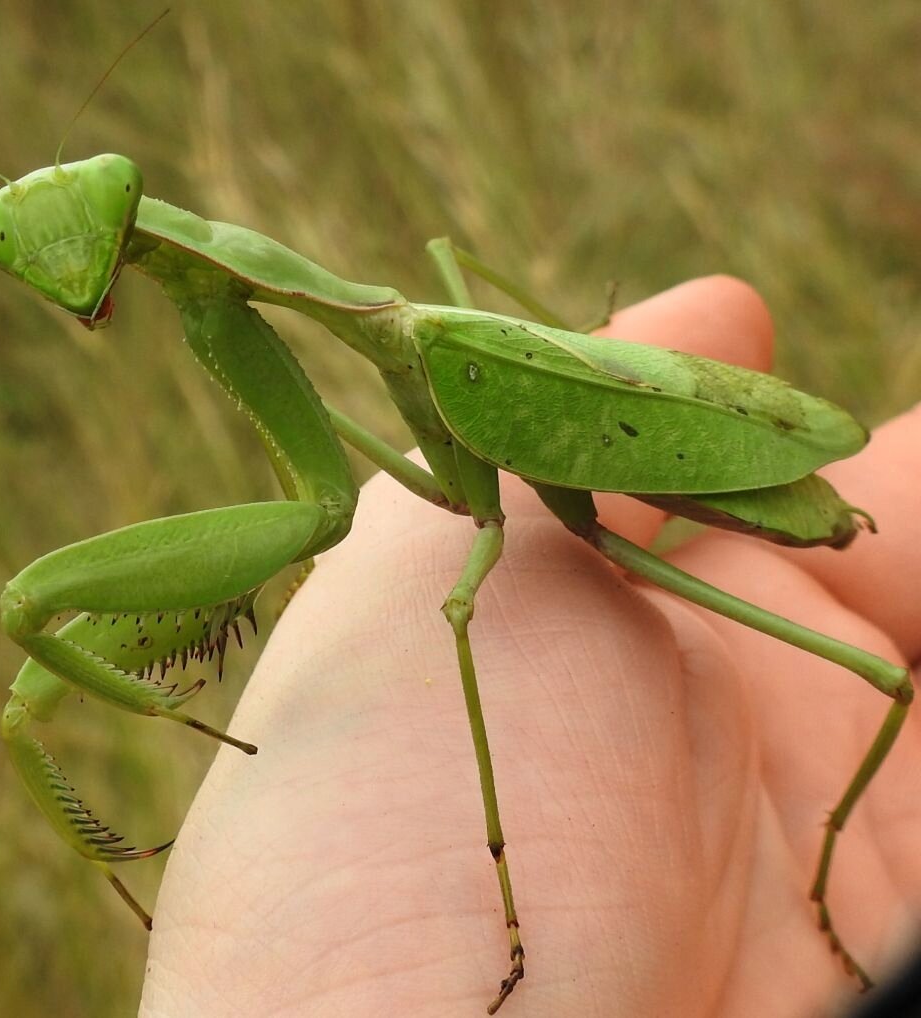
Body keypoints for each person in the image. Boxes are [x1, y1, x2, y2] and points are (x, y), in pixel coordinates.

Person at [140, 276, 921, 1017]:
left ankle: (811, 872)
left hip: (734, 474)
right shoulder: (420, 334)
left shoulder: (426, 348)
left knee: (887, 681)